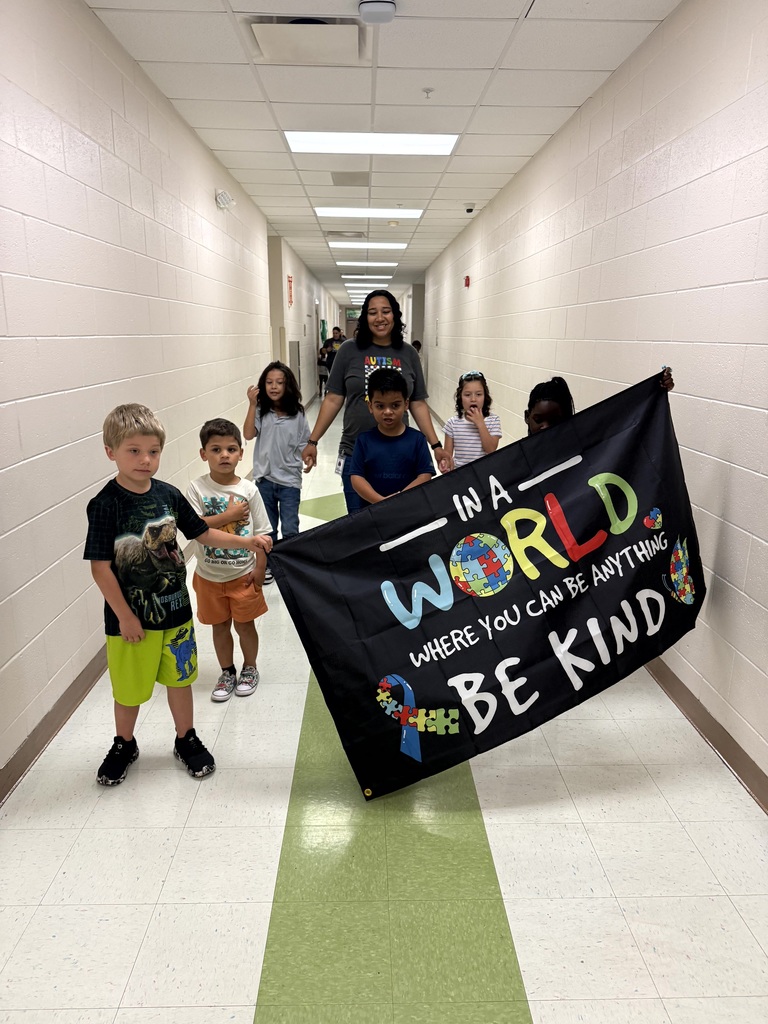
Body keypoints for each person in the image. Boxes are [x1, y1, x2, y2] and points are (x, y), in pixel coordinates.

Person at [84, 404, 272, 786]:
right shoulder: (105, 505)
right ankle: (124, 743)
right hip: (131, 622)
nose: (145, 459)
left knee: (180, 680)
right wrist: (125, 616)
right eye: (133, 451)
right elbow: (100, 567)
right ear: (111, 452)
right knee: (130, 689)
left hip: (176, 614)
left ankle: (185, 738)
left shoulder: (168, 495)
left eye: (153, 451)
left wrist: (247, 541)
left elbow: (201, 533)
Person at [301, 290, 448, 512]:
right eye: (372, 312)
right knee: (358, 524)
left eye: (386, 311)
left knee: (398, 521)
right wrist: (313, 441)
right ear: (364, 317)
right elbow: (333, 399)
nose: (379, 318)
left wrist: (436, 446)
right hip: (354, 451)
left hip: (400, 453)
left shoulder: (408, 353)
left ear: (395, 316)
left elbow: (417, 403)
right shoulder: (349, 350)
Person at [187, 419, 272, 703]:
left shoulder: (249, 490)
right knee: (219, 626)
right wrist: (228, 517)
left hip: (243, 574)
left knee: (245, 626)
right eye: (216, 449)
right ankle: (227, 671)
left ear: (240, 453)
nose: (224, 455)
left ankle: (250, 668)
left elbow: (262, 533)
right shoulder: (196, 489)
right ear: (204, 454)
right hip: (209, 577)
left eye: (231, 449)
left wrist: (260, 569)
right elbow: (195, 528)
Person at [243, 361, 309, 584]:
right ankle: (269, 566)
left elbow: (303, 441)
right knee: (268, 528)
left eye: (279, 382)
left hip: (290, 479)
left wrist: (308, 455)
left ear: (287, 385)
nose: (274, 386)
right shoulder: (262, 411)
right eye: (269, 382)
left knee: (290, 527)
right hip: (264, 479)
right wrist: (252, 404)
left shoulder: (297, 412)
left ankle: (291, 566)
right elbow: (249, 434)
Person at [349, 367, 435, 505]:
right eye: (380, 406)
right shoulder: (363, 440)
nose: (388, 412)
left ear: (406, 404)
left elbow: (425, 475)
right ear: (370, 406)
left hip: (409, 512)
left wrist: (399, 500)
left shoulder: (417, 439)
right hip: (373, 514)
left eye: (395, 405)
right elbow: (356, 477)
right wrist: (380, 502)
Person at [524, 368, 675, 435]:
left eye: (555, 421)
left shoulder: (580, 449)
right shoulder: (516, 461)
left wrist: (654, 392)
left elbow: (621, 422)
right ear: (527, 417)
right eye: (538, 420)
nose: (546, 427)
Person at [440, 370, 501, 471]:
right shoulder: (452, 423)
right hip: (460, 476)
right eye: (467, 395)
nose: (473, 399)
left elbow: (491, 450)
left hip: (484, 475)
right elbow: (448, 456)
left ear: (485, 397)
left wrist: (480, 424)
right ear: (460, 398)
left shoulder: (493, 421)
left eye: (478, 394)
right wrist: (445, 464)